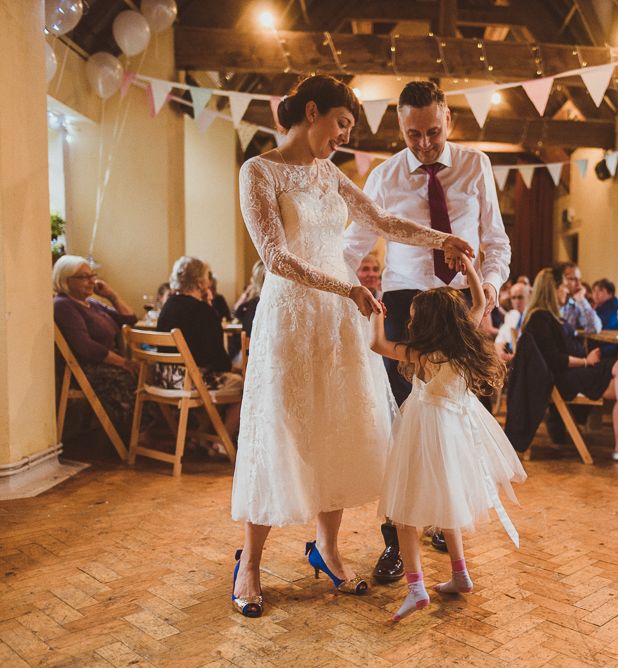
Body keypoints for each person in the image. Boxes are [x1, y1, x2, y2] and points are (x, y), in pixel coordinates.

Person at [231, 75, 473, 618]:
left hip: (338, 318)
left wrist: (443, 240)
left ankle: (328, 549)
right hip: (292, 316)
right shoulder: (259, 171)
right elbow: (275, 257)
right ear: (312, 111)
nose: (344, 135)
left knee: (335, 427)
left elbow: (381, 220)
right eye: (342, 123)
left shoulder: (329, 174)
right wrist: (349, 286)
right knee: (281, 427)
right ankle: (249, 561)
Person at [342, 80, 511, 582]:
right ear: (400, 127)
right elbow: (354, 244)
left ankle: (443, 520)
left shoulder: (476, 165)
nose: (423, 144)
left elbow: (495, 239)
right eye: (412, 134)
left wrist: (493, 287)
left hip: (461, 304)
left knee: (453, 422)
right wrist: (336, 287)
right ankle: (396, 540)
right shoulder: (384, 176)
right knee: (403, 423)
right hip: (402, 304)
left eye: (432, 132)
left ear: (449, 122)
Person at [370, 253, 525, 621]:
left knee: (406, 513)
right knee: (449, 502)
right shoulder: (462, 342)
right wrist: (470, 270)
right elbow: (483, 301)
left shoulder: (420, 352)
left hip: (424, 428)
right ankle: (460, 574)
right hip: (456, 429)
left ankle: (416, 588)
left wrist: (378, 308)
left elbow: (377, 344)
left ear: (423, 324)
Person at [523, 268, 618, 464]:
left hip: (574, 371)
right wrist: (586, 361)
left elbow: (592, 329)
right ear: (552, 290)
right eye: (563, 287)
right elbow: (554, 360)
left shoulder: (551, 315)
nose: (566, 291)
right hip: (563, 377)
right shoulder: (539, 318)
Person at [156, 256, 242, 448]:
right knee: (246, 386)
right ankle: (221, 443)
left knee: (217, 384)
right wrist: (234, 369)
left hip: (164, 377)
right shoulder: (202, 310)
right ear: (201, 283)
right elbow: (218, 361)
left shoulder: (167, 306)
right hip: (188, 382)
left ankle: (199, 437)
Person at [52, 255, 140, 436]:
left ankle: (141, 436)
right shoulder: (63, 305)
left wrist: (112, 295)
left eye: (92, 275)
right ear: (65, 280)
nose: (92, 281)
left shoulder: (91, 303)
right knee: (135, 376)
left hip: (107, 363)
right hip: (88, 368)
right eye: (84, 277)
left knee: (148, 373)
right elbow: (86, 347)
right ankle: (135, 437)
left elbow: (130, 319)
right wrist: (124, 363)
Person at [553, 262, 602, 333]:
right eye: (573, 279)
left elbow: (595, 328)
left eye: (579, 280)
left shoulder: (576, 306)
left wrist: (581, 299)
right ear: (560, 280)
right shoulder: (549, 303)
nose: (579, 284)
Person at [495, 282, 530, 363]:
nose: (517, 301)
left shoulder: (533, 316)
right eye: (513, 298)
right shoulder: (511, 315)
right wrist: (500, 350)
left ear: (529, 297)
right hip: (510, 358)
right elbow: (501, 336)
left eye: (520, 297)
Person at [592, 278, 618, 358]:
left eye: (600, 290)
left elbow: (601, 328)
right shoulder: (599, 308)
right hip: (601, 346)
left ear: (610, 294)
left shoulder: (614, 308)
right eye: (594, 291)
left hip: (610, 349)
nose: (596, 294)